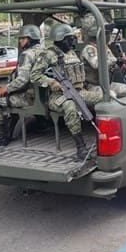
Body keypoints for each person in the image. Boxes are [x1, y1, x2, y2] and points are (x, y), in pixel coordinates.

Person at [30, 23, 102, 161]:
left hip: (78, 91)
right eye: (70, 38)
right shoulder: (49, 55)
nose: (73, 41)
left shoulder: (72, 53)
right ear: (61, 38)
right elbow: (35, 76)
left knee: (105, 98)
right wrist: (52, 82)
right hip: (57, 96)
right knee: (70, 106)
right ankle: (80, 146)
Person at [0, 24, 44, 146]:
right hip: (44, 97)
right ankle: (40, 124)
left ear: (31, 39)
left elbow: (23, 79)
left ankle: (0, 136)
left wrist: (6, 89)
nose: (20, 41)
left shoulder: (27, 55)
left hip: (28, 98)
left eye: (23, 38)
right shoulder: (44, 52)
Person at [79, 19, 126, 98]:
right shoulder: (89, 48)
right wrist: (116, 60)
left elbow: (113, 67)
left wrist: (121, 63)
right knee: (111, 95)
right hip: (92, 86)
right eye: (106, 33)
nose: (108, 35)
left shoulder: (105, 47)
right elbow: (96, 64)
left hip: (107, 83)